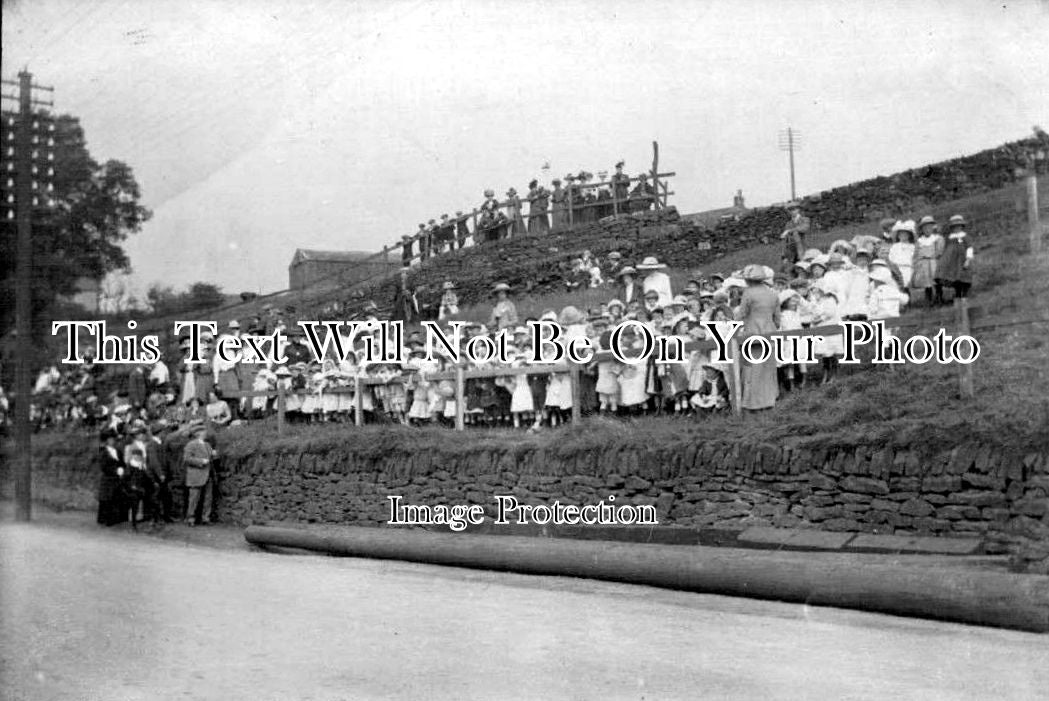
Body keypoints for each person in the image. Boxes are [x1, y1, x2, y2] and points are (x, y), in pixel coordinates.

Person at [736, 264, 780, 411]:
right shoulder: (773, 293)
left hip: (752, 334)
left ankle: (752, 402)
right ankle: (770, 399)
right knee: (767, 369)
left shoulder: (748, 293)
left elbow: (741, 314)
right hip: (770, 333)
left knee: (751, 370)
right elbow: (777, 319)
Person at [183, 421, 216, 526]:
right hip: (196, 475)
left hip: (208, 474)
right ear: (198, 433)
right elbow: (187, 459)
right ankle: (190, 518)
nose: (205, 433)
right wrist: (201, 461)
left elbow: (211, 458)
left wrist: (214, 455)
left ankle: (206, 518)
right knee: (193, 498)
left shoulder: (207, 445)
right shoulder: (191, 444)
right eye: (203, 431)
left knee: (208, 498)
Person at [936, 214, 974, 301]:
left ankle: (964, 295)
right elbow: (946, 250)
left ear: (961, 226)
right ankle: (957, 294)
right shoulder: (949, 238)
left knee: (964, 276)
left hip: (962, 261)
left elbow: (969, 248)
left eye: (958, 226)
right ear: (952, 228)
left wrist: (968, 259)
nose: (957, 228)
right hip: (953, 262)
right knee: (955, 278)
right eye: (954, 227)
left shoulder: (965, 237)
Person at [96, 427, 127, 526]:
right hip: (108, 479)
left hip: (117, 479)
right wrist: (115, 471)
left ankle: (116, 519)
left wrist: (122, 468)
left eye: (113, 439)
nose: (113, 441)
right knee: (107, 499)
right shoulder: (103, 452)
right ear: (106, 440)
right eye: (110, 439)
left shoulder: (117, 451)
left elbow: (122, 462)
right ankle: (106, 520)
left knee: (117, 498)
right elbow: (104, 467)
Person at [912, 215, 944, 306]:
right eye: (925, 227)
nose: (927, 229)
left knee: (936, 281)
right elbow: (916, 254)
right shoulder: (919, 241)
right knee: (927, 282)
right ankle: (928, 300)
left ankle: (939, 297)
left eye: (929, 227)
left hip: (934, 262)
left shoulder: (937, 239)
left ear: (933, 227)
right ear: (921, 229)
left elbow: (940, 251)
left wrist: (933, 256)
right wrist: (917, 263)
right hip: (924, 264)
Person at [780, 202, 810, 271]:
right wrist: (784, 255)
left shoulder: (805, 219)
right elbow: (785, 241)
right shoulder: (788, 224)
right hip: (792, 253)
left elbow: (804, 228)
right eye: (790, 210)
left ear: (798, 209)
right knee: (792, 270)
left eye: (794, 209)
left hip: (804, 249)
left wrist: (789, 231)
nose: (792, 212)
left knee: (806, 268)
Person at [888, 221, 916, 288]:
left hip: (908, 268)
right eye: (901, 234)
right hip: (897, 268)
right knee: (897, 285)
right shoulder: (895, 246)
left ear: (909, 235)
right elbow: (891, 258)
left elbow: (915, 258)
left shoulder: (912, 247)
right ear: (898, 236)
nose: (903, 236)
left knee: (906, 285)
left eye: (905, 234)